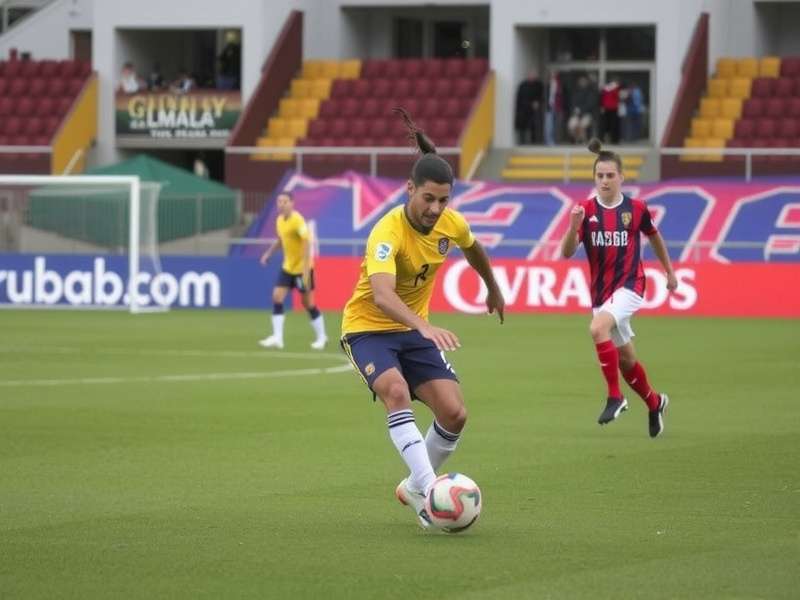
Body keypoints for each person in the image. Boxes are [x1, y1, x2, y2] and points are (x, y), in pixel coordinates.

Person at [340, 108, 505, 528]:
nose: (435, 209)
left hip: (411, 330)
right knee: (395, 389)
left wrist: (493, 287)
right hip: (368, 329)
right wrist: (424, 325)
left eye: (443, 200)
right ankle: (433, 494)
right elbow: (381, 295)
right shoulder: (387, 231)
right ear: (409, 189)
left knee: (455, 414)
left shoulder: (451, 223)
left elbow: (473, 248)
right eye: (428, 198)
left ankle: (416, 486)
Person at [560, 138, 677, 438]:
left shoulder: (636, 209)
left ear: (622, 177)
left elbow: (655, 237)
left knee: (597, 329)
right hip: (601, 294)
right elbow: (566, 252)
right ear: (594, 178)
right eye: (600, 175)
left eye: (611, 175)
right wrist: (573, 226)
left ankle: (615, 397)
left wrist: (669, 271)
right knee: (626, 360)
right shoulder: (585, 210)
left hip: (631, 286)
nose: (605, 180)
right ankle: (655, 402)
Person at [258, 192, 327, 350]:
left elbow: (308, 241)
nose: (281, 204)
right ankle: (277, 338)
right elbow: (281, 240)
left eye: (284, 201)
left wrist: (305, 269)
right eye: (279, 201)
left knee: (308, 303)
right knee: (277, 297)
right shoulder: (280, 221)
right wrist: (268, 253)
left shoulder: (297, 220)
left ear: (292, 203)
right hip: (288, 268)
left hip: (302, 269)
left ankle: (322, 337)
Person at [514, 70, 544, 145]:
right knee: (522, 127)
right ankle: (522, 143)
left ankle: (533, 143)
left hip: (534, 111)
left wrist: (538, 102)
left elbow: (541, 97)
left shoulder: (539, 85)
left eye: (534, 75)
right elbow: (519, 99)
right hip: (523, 110)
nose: (532, 76)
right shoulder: (522, 85)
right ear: (528, 75)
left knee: (533, 127)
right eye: (531, 75)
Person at [567, 74, 597, 144]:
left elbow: (590, 104)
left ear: (587, 82)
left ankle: (583, 141)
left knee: (582, 125)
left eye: (584, 81)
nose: (582, 82)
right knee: (571, 125)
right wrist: (575, 111)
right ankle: (575, 140)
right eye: (581, 81)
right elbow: (572, 103)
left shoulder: (590, 91)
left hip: (587, 114)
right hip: (576, 114)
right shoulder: (575, 91)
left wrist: (580, 110)